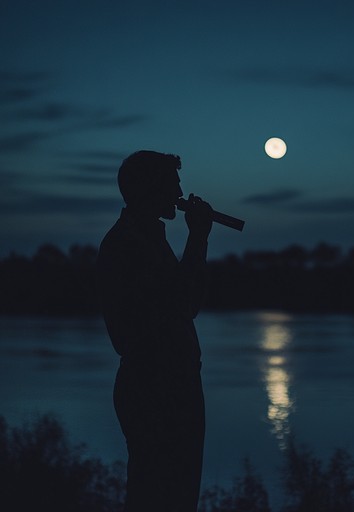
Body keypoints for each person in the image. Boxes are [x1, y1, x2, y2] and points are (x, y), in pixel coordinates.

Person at [96, 150, 213, 511]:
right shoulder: (127, 245)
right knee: (160, 496)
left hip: (168, 386)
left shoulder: (145, 238)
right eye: (172, 182)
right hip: (156, 390)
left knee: (173, 495)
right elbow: (182, 306)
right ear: (151, 187)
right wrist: (198, 238)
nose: (179, 189)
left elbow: (181, 305)